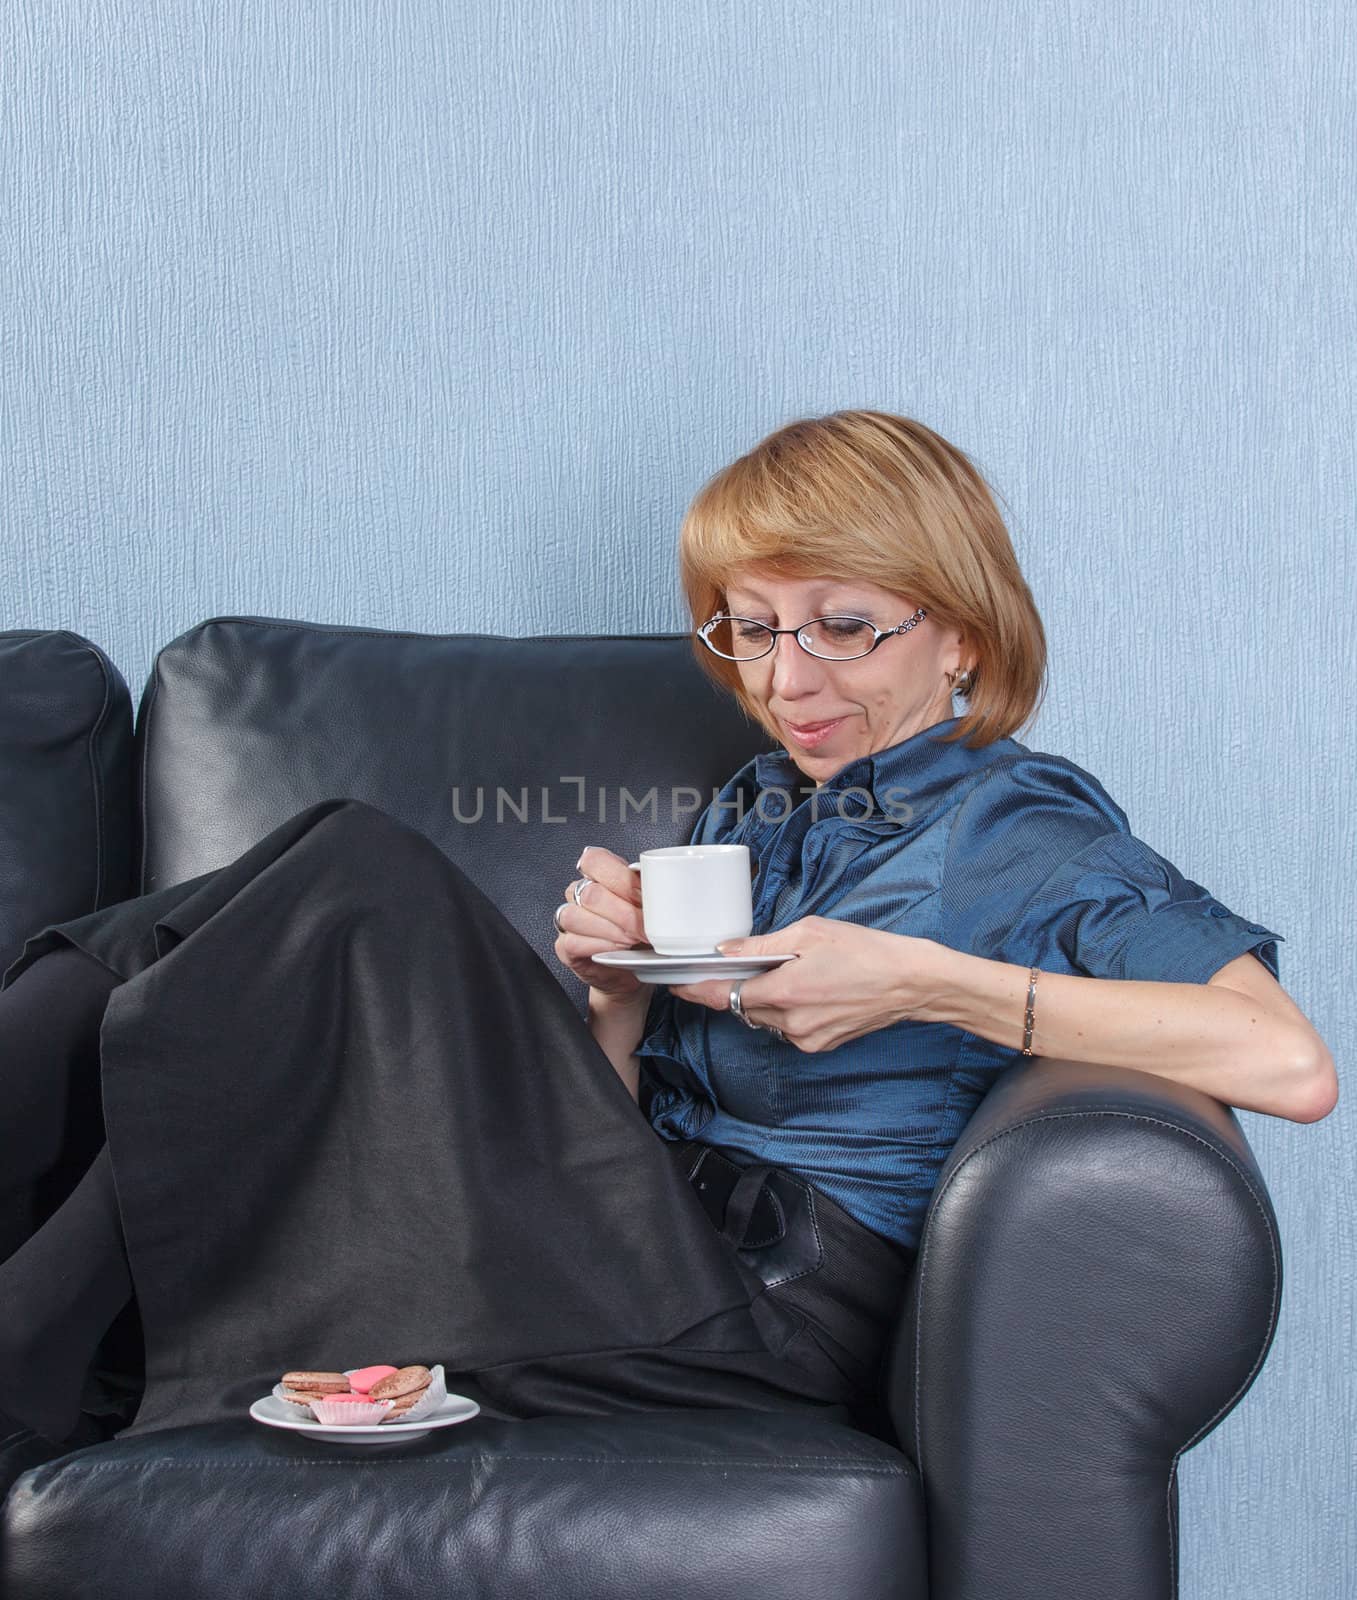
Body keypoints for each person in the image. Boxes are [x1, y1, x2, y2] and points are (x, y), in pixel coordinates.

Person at [0, 410, 1335, 1452]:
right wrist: (618, 1000)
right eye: (751, 631)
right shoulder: (759, 806)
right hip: (638, 1236)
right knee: (286, 942)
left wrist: (931, 984)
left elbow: (1289, 1066)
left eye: (843, 629)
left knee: (363, 875)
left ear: (965, 639)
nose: (784, 681)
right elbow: (627, 1129)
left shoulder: (1022, 827)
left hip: (764, 1308)